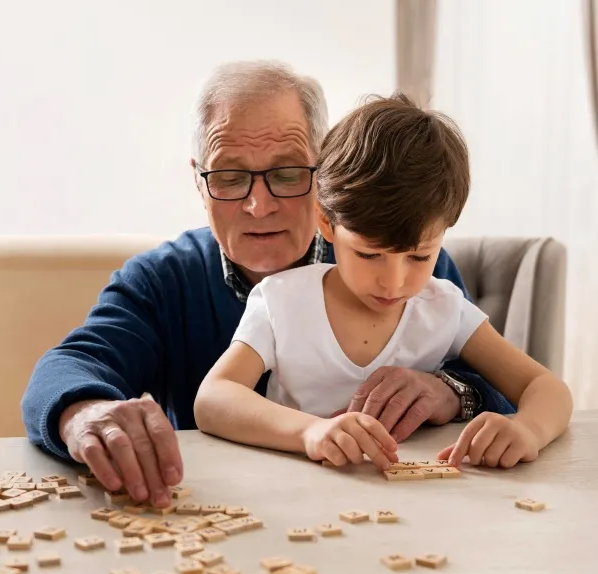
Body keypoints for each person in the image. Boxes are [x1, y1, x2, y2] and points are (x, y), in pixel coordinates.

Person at [20, 61, 515, 508]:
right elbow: (69, 365)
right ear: (199, 183)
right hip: (215, 524)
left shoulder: (407, 265)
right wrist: (84, 412)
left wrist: (451, 391)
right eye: (231, 178)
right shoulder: (163, 280)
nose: (259, 205)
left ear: (324, 176)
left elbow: (507, 386)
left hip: (391, 518)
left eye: (285, 173)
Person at [193, 93, 572, 470]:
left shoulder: (444, 307)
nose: (394, 284)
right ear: (325, 221)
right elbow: (214, 398)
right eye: (369, 255)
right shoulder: (281, 302)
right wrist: (310, 432)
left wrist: (526, 430)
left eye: (420, 256)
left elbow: (546, 388)